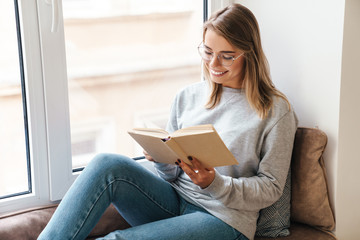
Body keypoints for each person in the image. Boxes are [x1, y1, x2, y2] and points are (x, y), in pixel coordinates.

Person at [38, 3, 297, 240]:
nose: (213, 64)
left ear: (249, 54)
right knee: (106, 164)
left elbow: (271, 187)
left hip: (224, 219)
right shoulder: (188, 96)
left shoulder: (274, 110)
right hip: (172, 200)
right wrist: (163, 159)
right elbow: (172, 175)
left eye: (227, 56)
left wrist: (214, 183)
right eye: (207, 52)